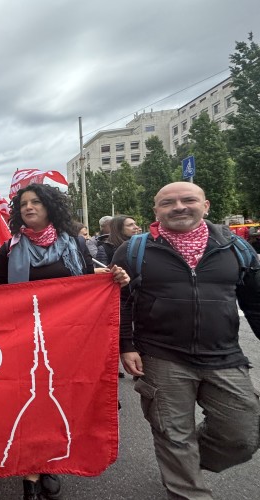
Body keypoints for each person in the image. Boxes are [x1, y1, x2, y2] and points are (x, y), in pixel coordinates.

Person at [113, 182, 260, 500]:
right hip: (160, 356)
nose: (178, 206)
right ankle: (183, 477)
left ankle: (183, 460)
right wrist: (126, 345)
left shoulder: (235, 247)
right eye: (168, 202)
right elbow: (120, 301)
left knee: (242, 434)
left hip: (224, 356)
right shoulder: (134, 250)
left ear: (205, 206)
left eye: (187, 199)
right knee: (171, 432)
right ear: (156, 211)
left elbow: (255, 301)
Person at [0, 184, 129, 500]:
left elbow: (88, 283)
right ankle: (30, 474)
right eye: (23, 204)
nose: (28, 207)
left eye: (36, 202)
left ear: (50, 206)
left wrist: (114, 279)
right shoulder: (8, 249)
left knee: (60, 402)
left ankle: (48, 463)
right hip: (23, 341)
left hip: (66, 341)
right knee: (24, 404)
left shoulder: (75, 244)